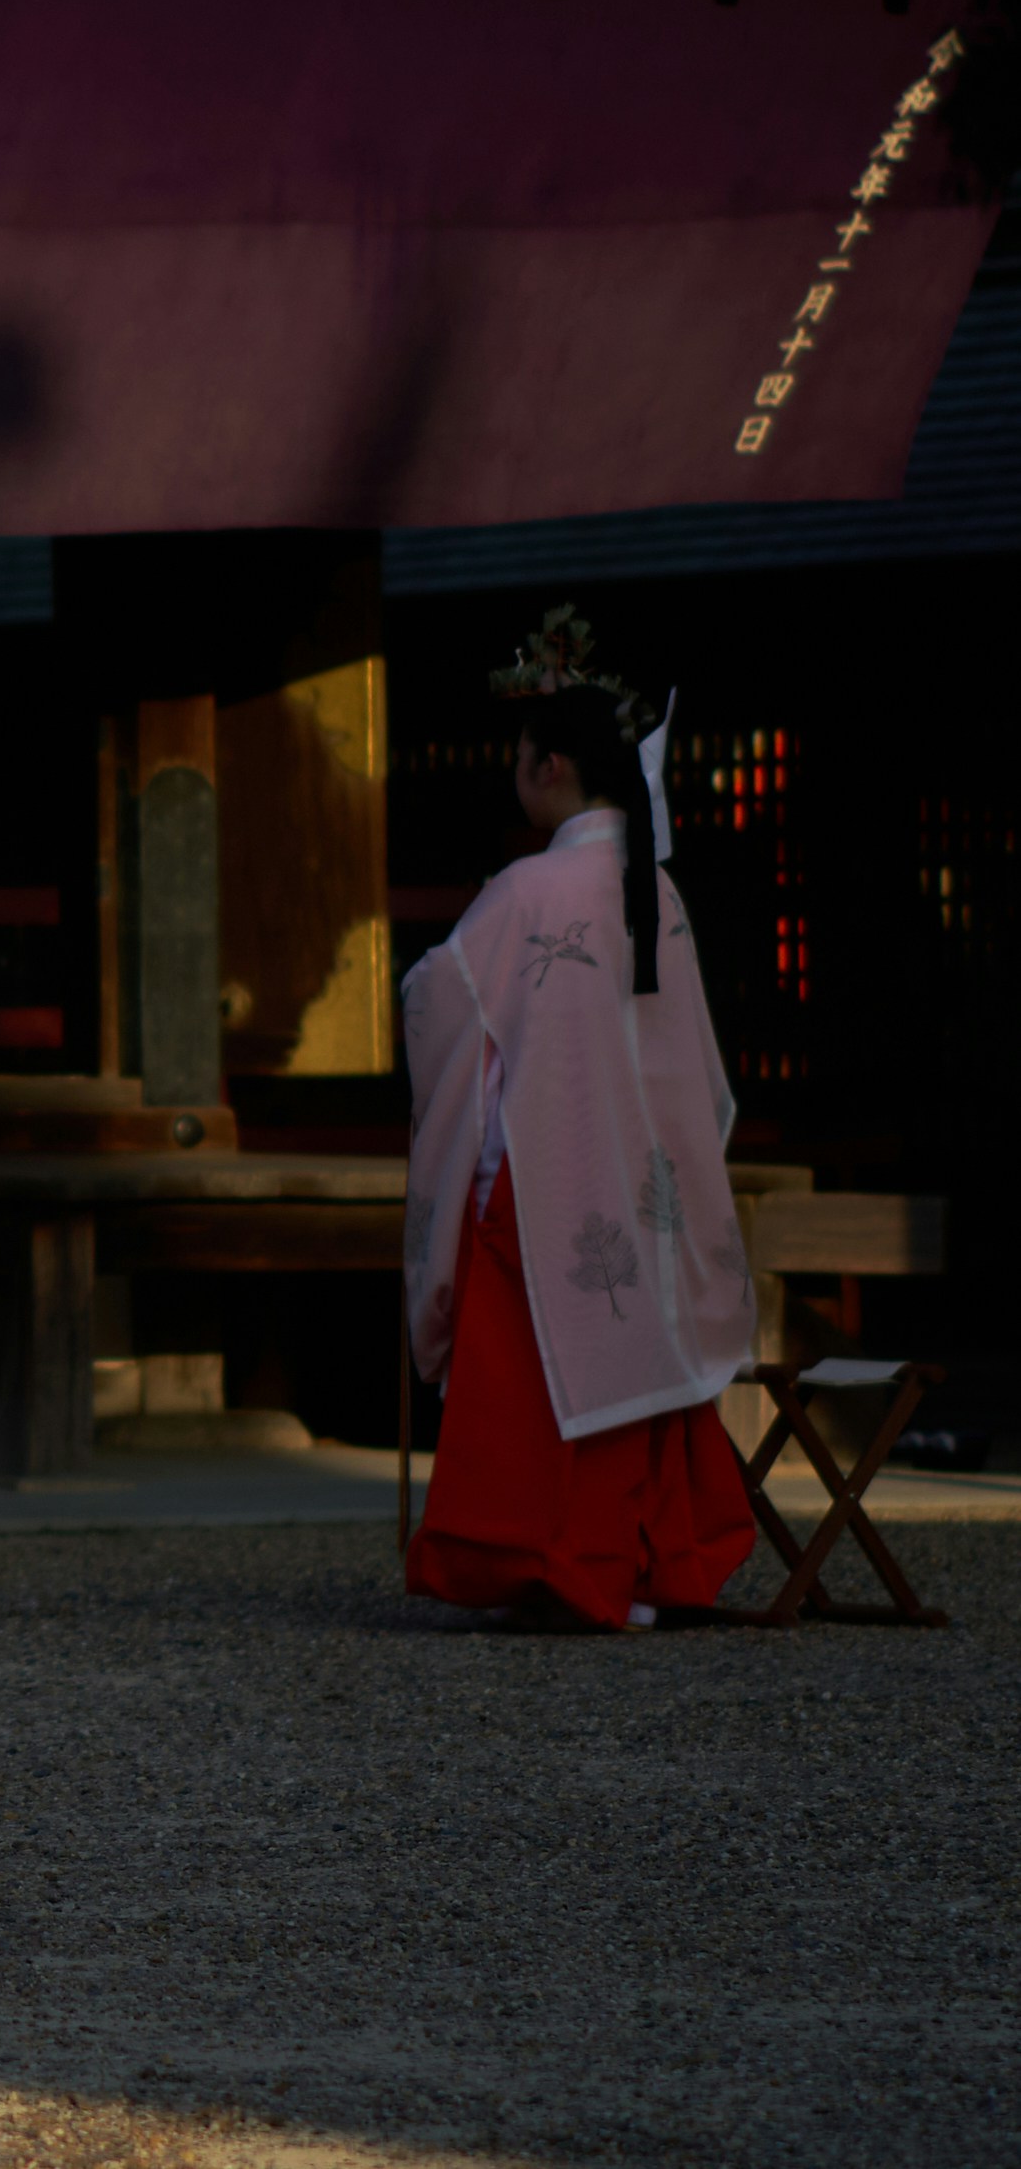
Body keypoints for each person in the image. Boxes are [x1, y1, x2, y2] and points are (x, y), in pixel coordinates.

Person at [403, 605, 759, 1631]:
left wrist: (409, 998)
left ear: (550, 766)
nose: (511, 771)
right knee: (635, 1351)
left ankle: (557, 1562)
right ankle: (644, 1560)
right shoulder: (658, 893)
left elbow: (442, 1005)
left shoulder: (529, 888)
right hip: (653, 1180)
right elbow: (693, 1065)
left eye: (518, 754)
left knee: (536, 1373)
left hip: (548, 1177)